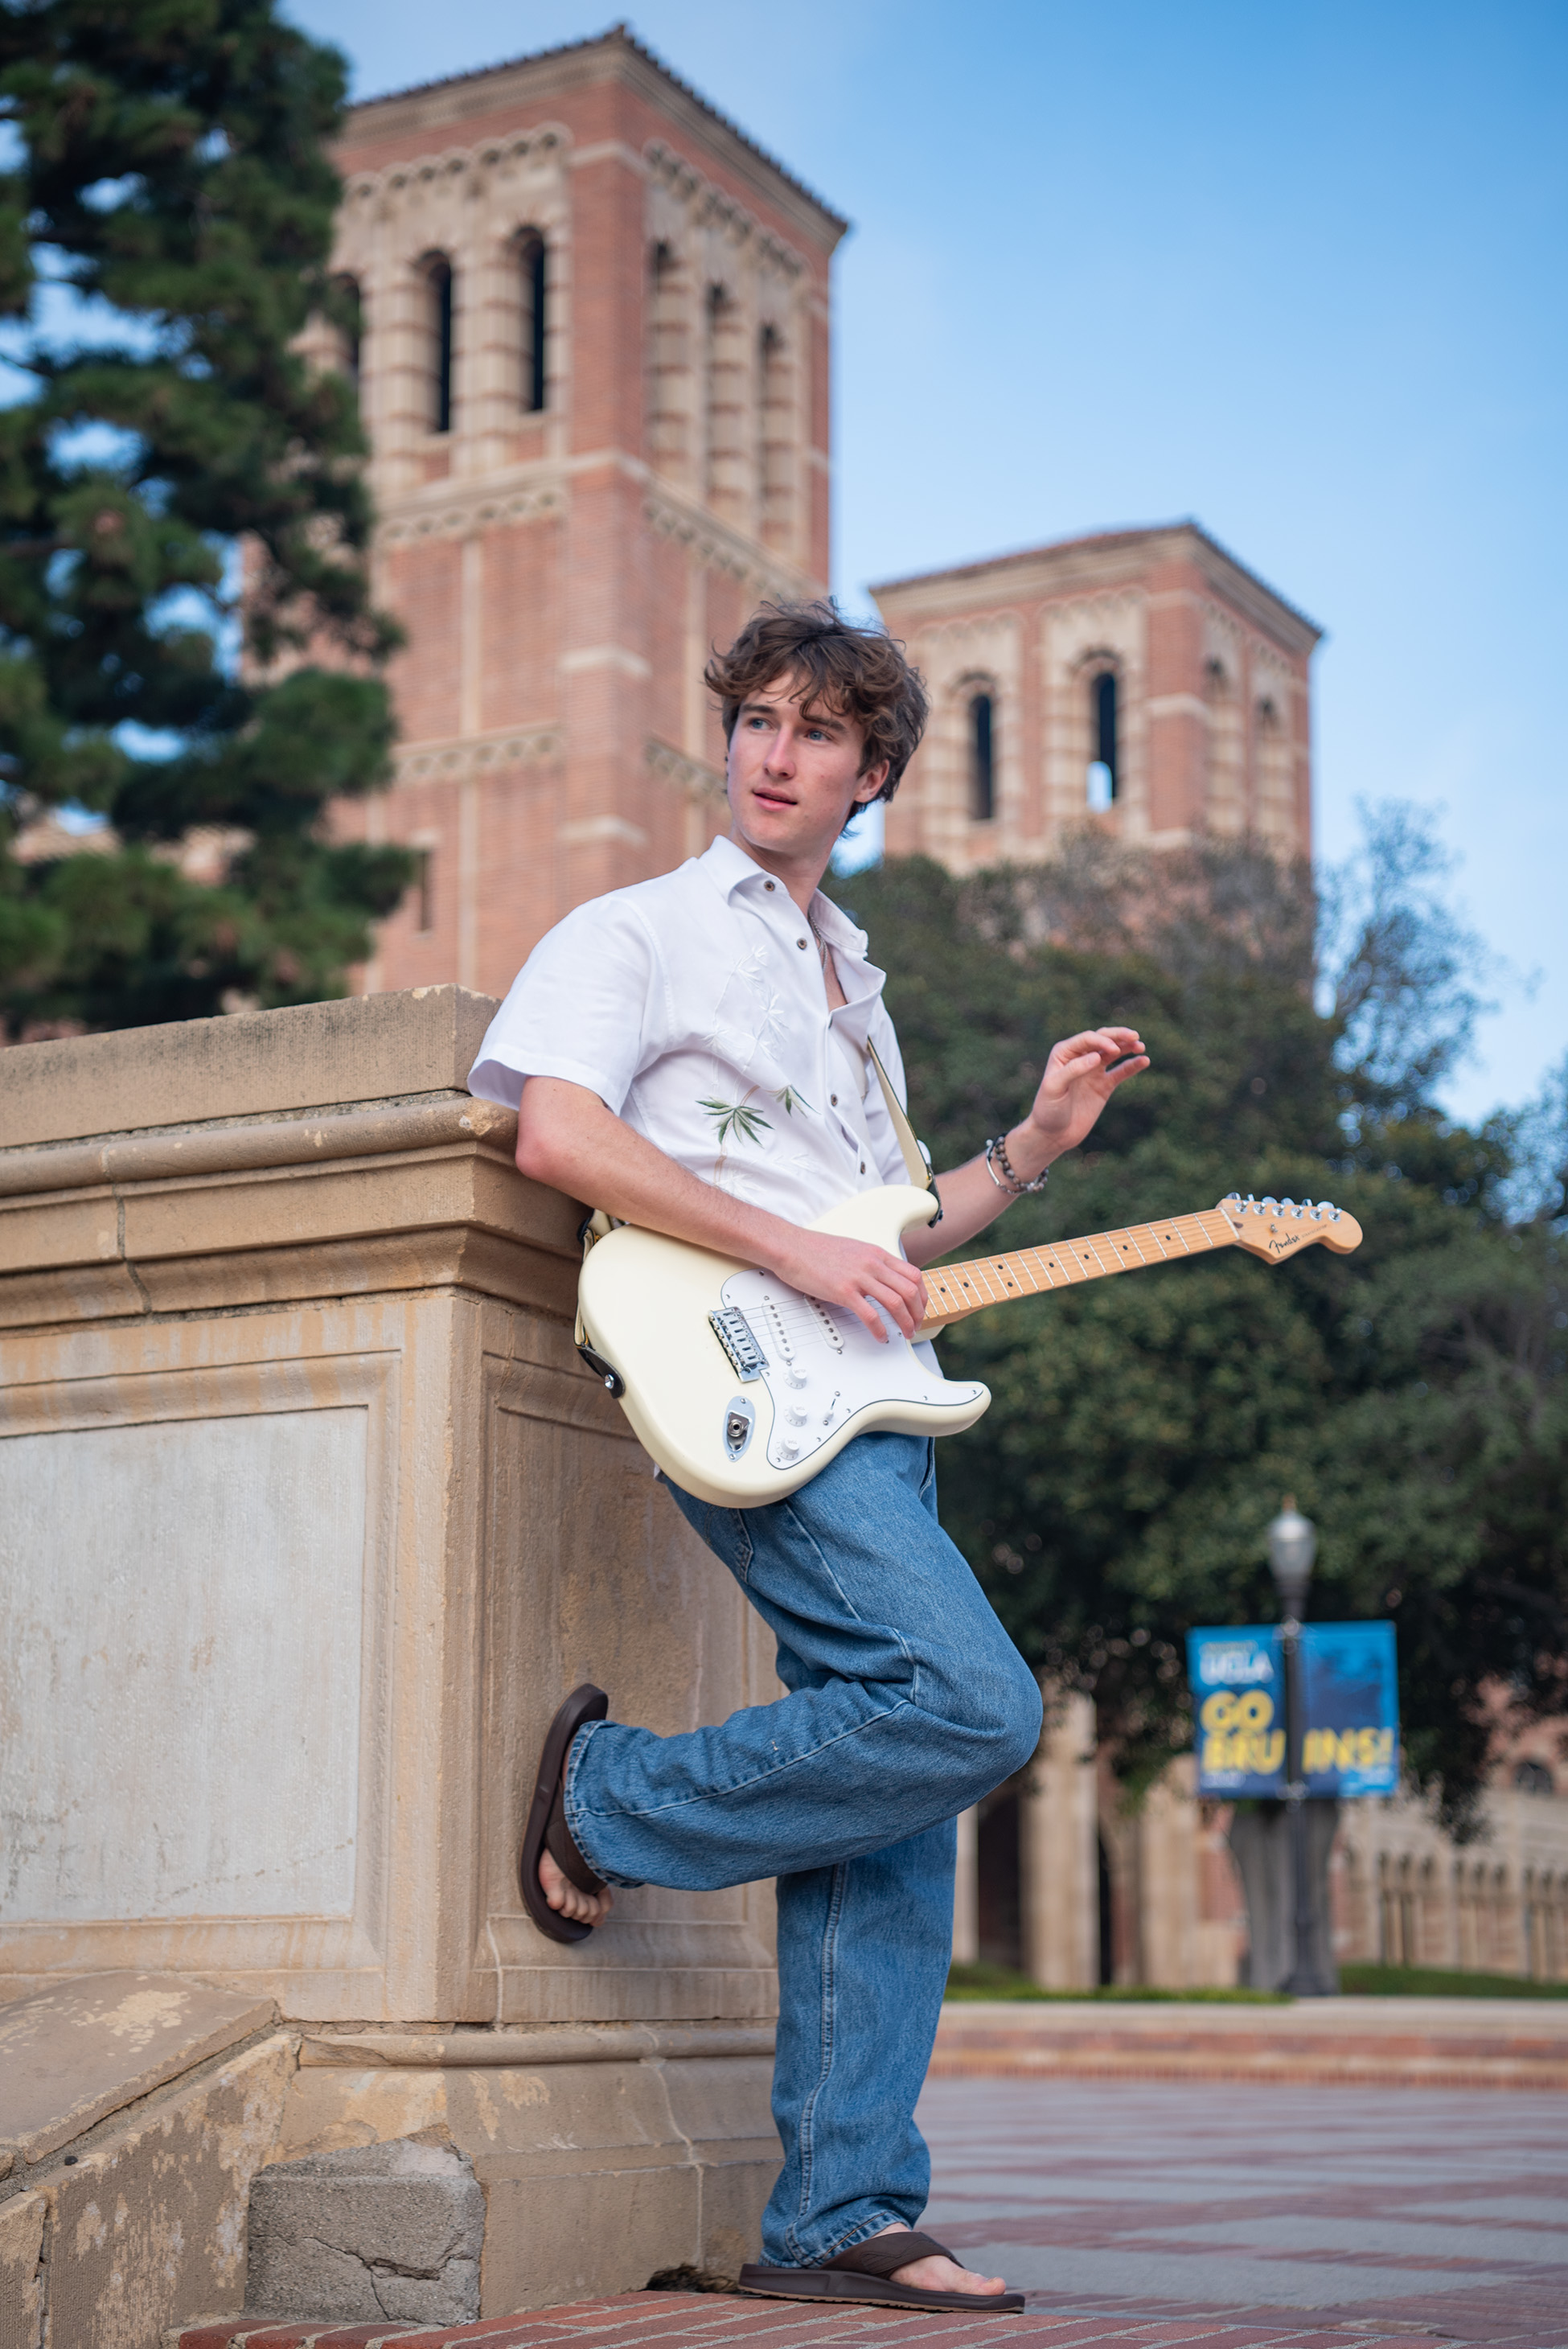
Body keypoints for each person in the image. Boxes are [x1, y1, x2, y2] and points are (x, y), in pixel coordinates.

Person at [467, 600, 1147, 2314]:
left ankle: (842, 2208)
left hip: (873, 1392)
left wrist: (1036, 1147)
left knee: (894, 1804)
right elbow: (559, 1129)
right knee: (975, 1707)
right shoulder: (636, 933)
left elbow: (892, 1238)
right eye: (757, 720)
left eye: (816, 732)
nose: (774, 753)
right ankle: (609, 1803)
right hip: (743, 1376)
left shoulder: (856, 991)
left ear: (873, 775)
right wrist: (790, 1256)